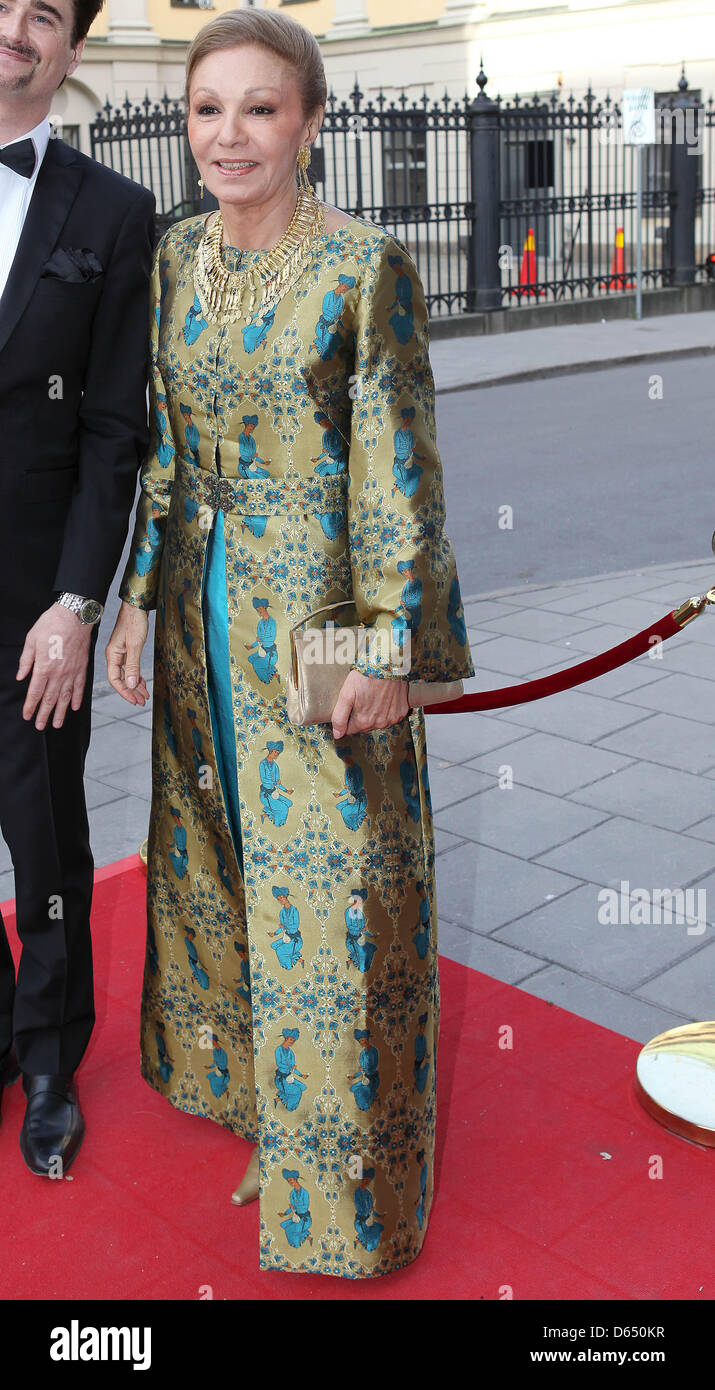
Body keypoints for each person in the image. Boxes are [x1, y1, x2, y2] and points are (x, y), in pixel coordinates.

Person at [108, 7, 474, 1279]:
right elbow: (161, 443)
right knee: (217, 866)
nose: (230, 134)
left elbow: (399, 480)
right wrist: (142, 588)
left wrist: (388, 649)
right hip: (202, 620)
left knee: (334, 895)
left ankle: (345, 1191)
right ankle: (261, 1102)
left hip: (319, 628)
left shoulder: (365, 266)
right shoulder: (171, 258)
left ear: (311, 122)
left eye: (261, 108)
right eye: (210, 109)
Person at [0, 0, 154, 1174]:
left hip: (33, 597)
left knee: (44, 834)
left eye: (40, 14)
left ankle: (51, 1057)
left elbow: (114, 431)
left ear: (71, 48)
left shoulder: (115, 212)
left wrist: (76, 603)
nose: (13, 30)